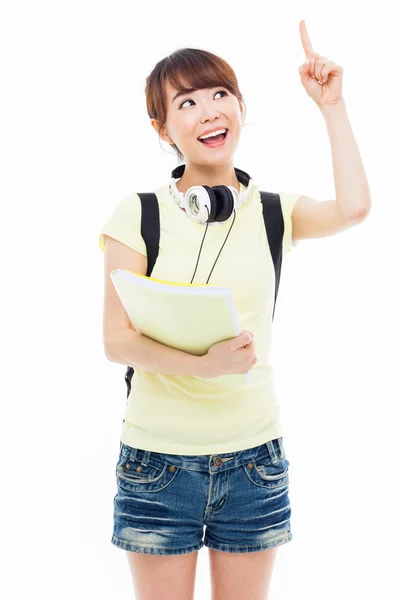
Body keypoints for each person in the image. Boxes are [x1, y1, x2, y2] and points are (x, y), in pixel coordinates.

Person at [99, 40, 367, 598]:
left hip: (254, 463)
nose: (210, 110)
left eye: (221, 94)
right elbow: (117, 341)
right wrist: (205, 365)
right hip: (158, 463)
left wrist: (332, 107)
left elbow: (354, 208)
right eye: (188, 102)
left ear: (242, 108)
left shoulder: (273, 212)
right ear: (163, 128)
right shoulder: (139, 214)